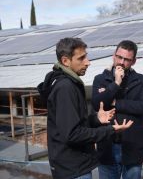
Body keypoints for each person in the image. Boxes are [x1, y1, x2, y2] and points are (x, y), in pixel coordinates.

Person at [37, 37, 133, 179]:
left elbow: (71, 123)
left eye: (86, 57)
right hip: (73, 168)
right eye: (81, 58)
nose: (88, 62)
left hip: (73, 165)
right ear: (65, 61)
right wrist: (110, 130)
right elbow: (73, 134)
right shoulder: (65, 87)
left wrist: (96, 119)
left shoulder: (69, 83)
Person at [92, 40, 143, 179]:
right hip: (107, 145)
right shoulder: (100, 79)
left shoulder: (140, 80)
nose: (121, 62)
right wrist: (116, 83)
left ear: (133, 61)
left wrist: (114, 102)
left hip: (132, 146)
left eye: (127, 59)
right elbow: (97, 105)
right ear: (114, 56)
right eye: (119, 57)